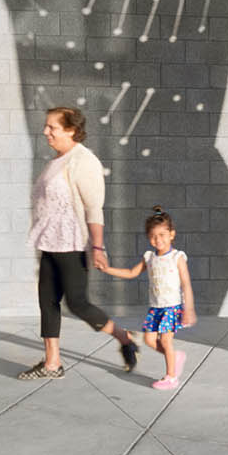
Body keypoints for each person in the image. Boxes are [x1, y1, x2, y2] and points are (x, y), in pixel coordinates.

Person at [18, 106, 140, 381]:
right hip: (49, 242)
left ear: (71, 130)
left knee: (77, 303)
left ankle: (124, 337)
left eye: (52, 127)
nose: (45, 132)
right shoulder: (56, 161)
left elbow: (94, 209)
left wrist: (98, 247)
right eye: (46, 126)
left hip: (72, 243)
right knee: (46, 301)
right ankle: (52, 363)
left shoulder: (83, 161)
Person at [95, 206, 196, 389]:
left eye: (162, 235)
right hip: (155, 308)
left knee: (165, 341)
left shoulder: (177, 257)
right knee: (150, 340)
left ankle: (171, 377)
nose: (158, 240)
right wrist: (108, 269)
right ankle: (174, 356)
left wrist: (188, 309)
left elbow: (186, 284)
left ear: (171, 234)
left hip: (171, 307)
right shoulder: (149, 257)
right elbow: (131, 272)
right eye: (153, 236)